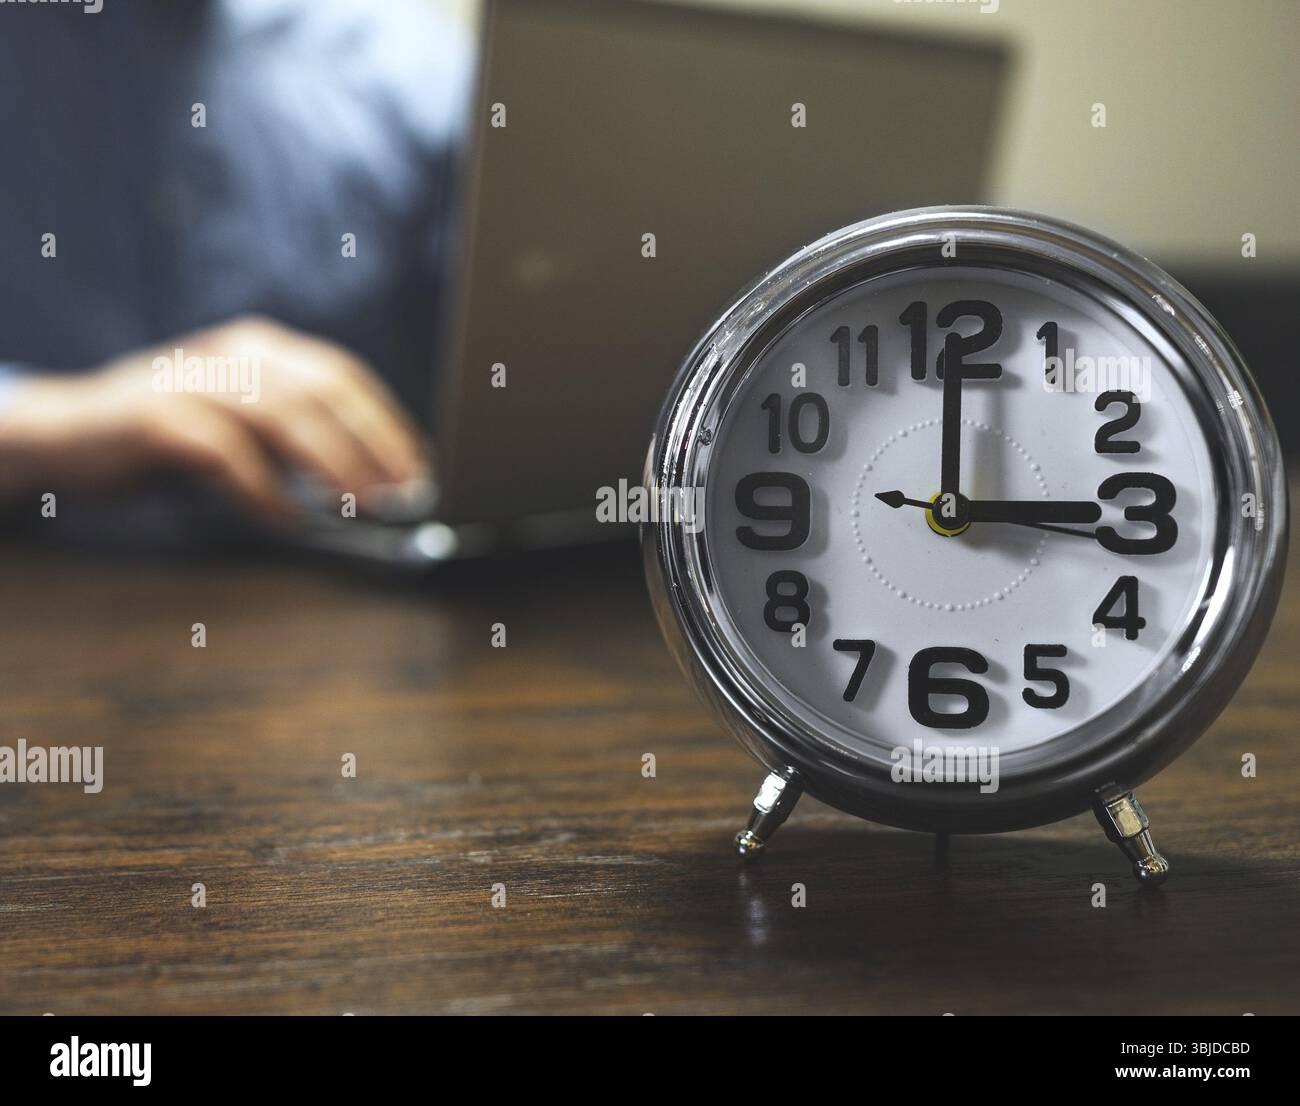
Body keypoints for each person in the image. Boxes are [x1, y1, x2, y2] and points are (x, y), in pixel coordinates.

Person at [0, 0, 472, 527]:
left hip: (352, 571)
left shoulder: (408, 63)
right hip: (47, 582)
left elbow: (526, 353)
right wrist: (53, 421)